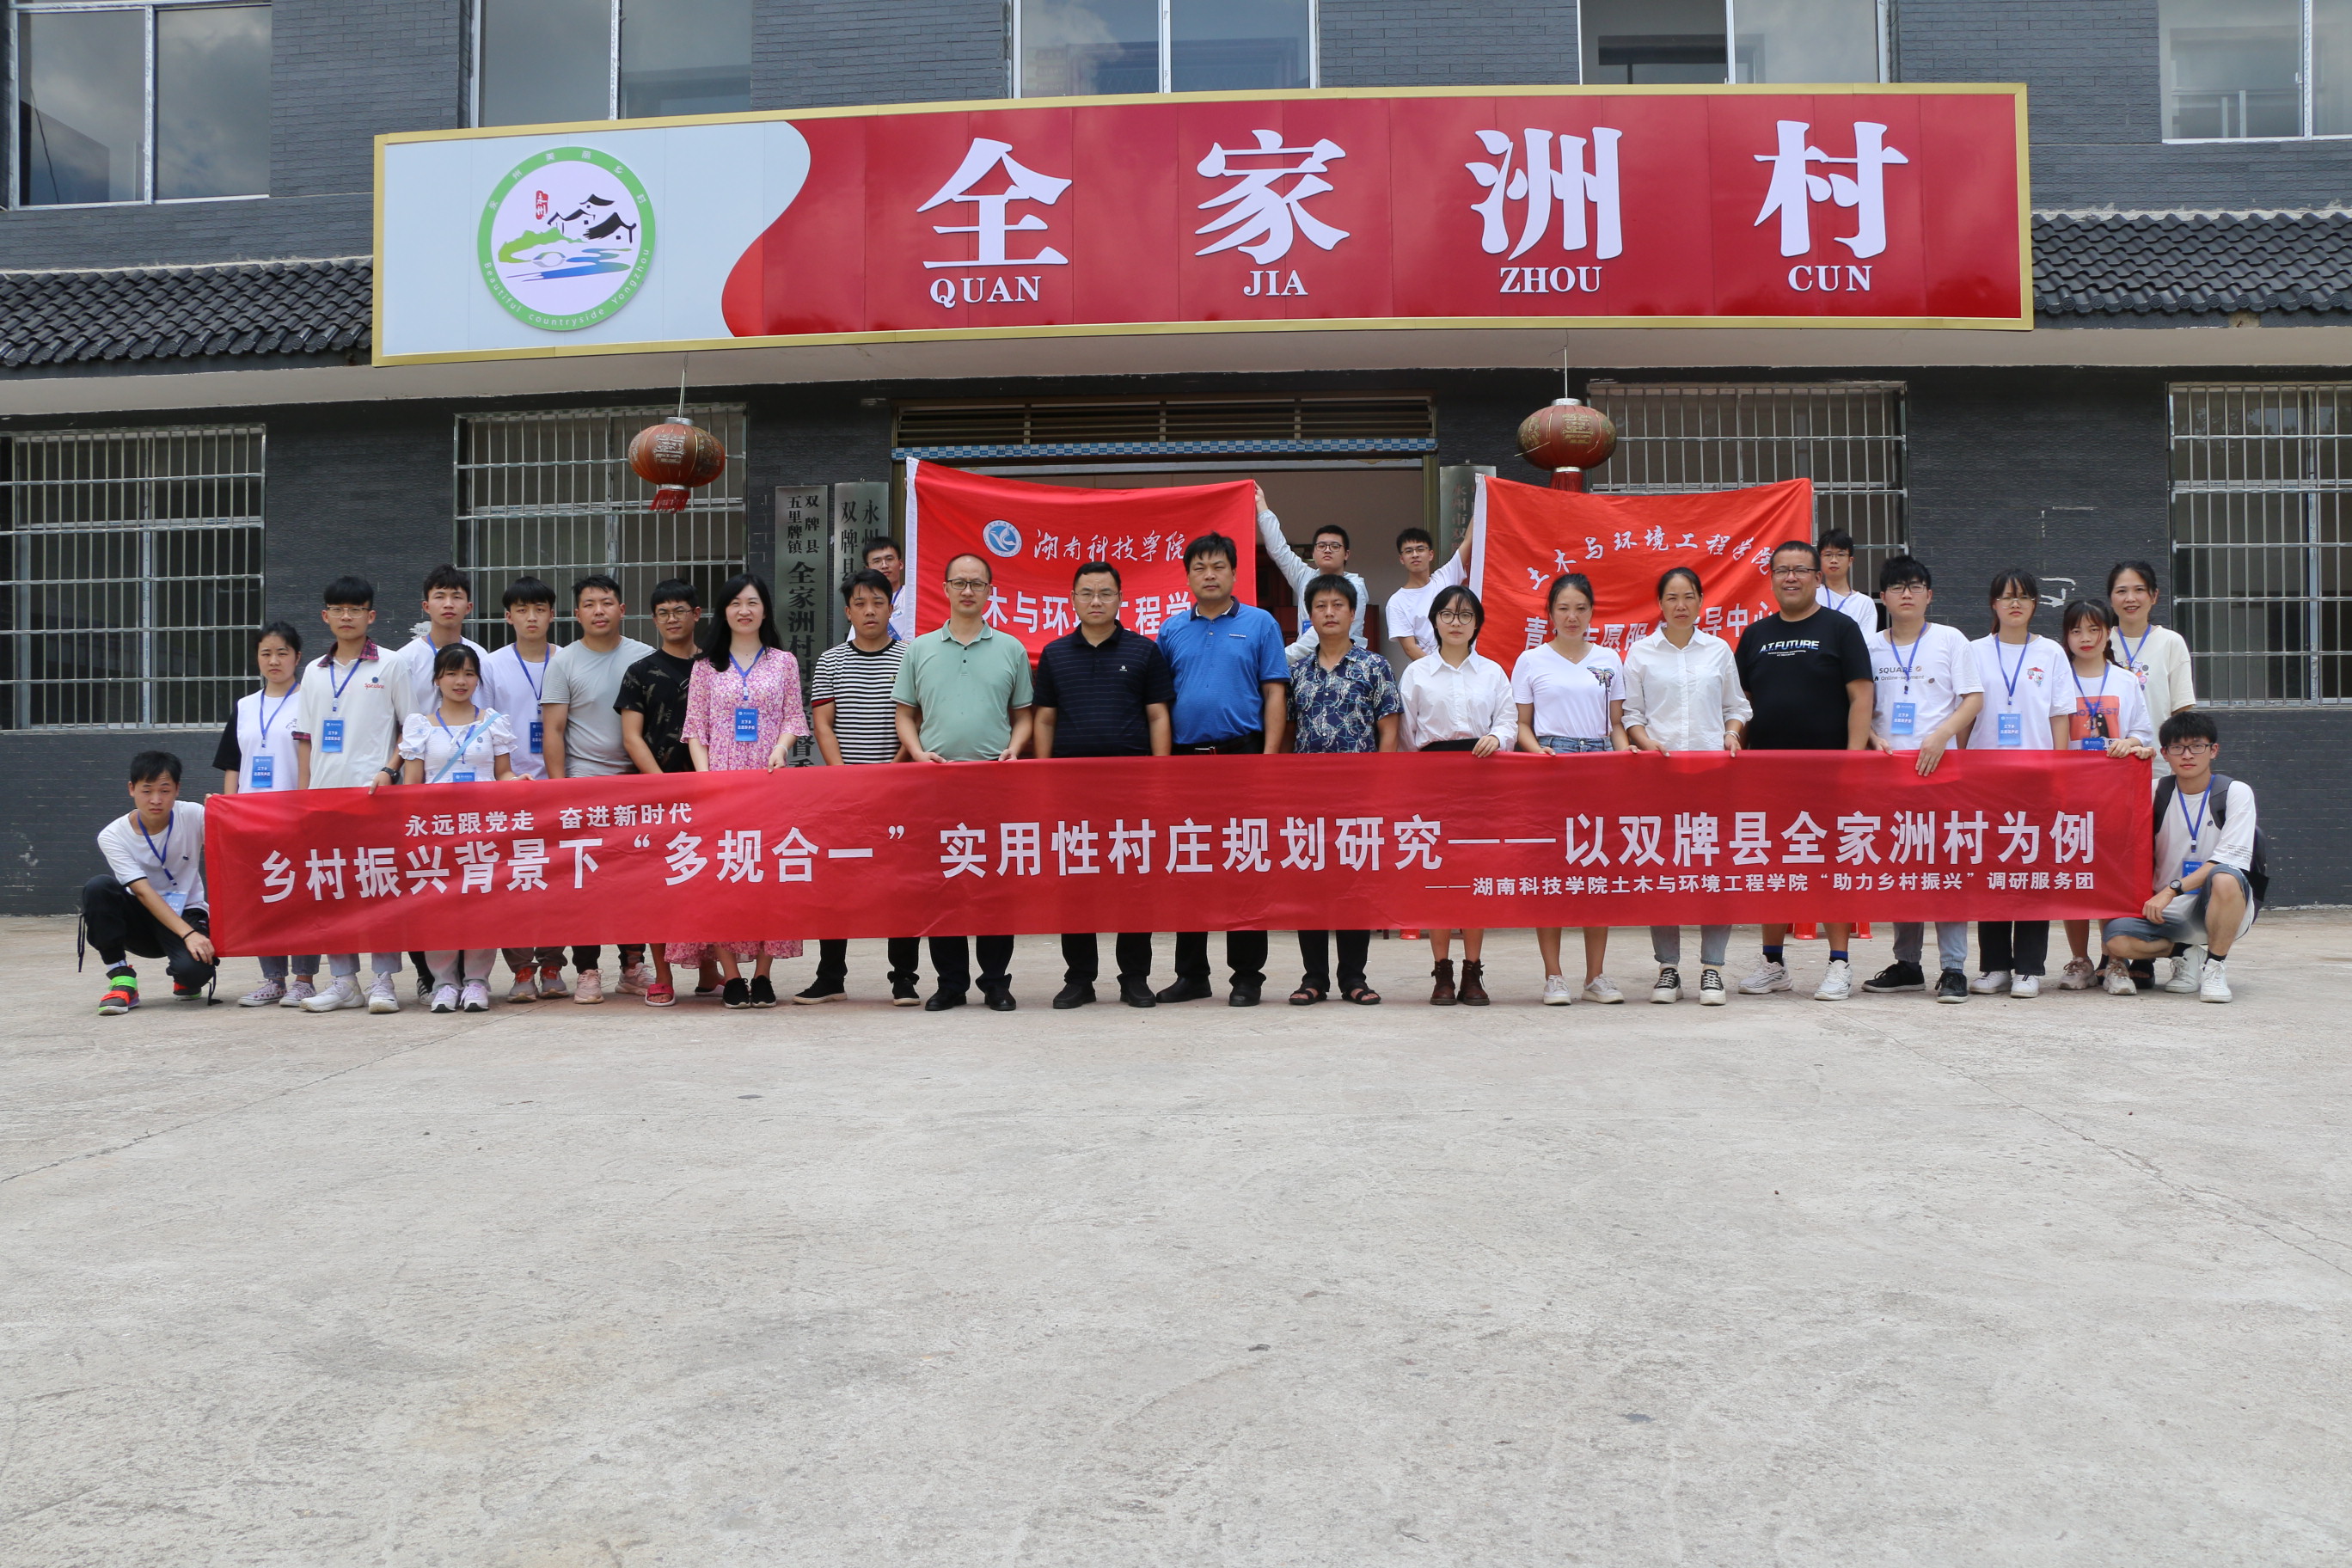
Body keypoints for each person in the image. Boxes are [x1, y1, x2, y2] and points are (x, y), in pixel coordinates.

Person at [1734, 540, 1875, 1001]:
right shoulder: (1755, 635)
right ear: (1771, 578)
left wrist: (1852, 760)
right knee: (1772, 865)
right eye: (1782, 570)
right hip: (1767, 774)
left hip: (1829, 772)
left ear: (1818, 577)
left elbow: (1861, 696)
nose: (1790, 577)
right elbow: (1742, 705)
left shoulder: (1840, 628)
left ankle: (1839, 964)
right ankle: (1773, 963)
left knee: (1832, 865)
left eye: (1800, 570)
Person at [1033, 560, 1176, 1009]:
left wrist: (1159, 778)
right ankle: (1079, 979)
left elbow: (1158, 716)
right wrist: (1044, 779)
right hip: (1072, 790)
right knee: (1076, 883)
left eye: (1105, 593)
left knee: (1134, 882)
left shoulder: (1144, 651)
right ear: (1072, 600)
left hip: (1131, 789)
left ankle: (1134, 977)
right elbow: (1045, 719)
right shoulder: (1055, 654)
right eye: (1087, 593)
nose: (1096, 601)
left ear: (1120, 598)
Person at [895, 551, 1034, 1012]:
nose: (968, 590)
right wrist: (918, 754)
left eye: (977, 583)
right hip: (938, 784)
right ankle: (951, 983)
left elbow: (1024, 715)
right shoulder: (920, 649)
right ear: (946, 589)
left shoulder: (1011, 648)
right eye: (960, 583)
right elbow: (904, 714)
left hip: (995, 783)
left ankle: (995, 982)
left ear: (990, 591)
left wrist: (1015, 748)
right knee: (944, 883)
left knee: (996, 883)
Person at [1155, 529, 1289, 1007]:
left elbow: (1274, 692)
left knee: (1245, 862)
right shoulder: (1171, 630)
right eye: (1200, 568)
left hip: (1243, 756)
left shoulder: (1260, 624)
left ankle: (1247, 976)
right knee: (1187, 865)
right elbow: (1160, 703)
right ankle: (1191, 974)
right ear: (1188, 576)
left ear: (1234, 573)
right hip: (1186, 761)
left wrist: (1269, 760)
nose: (1209, 575)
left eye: (1218, 567)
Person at [672, 574, 809, 1009]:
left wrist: (781, 749)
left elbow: (793, 718)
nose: (744, 610)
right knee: (721, 876)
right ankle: (731, 975)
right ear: (723, 611)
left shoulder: (784, 662)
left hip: (770, 782)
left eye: (752, 602)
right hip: (721, 785)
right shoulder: (705, 666)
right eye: (735, 603)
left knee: (770, 876)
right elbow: (695, 729)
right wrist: (707, 779)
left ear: (765, 610)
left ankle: (763, 974)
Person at [1856, 555, 1985, 1004]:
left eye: (1915, 586)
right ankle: (1908, 964)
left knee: (1946, 870)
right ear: (1883, 597)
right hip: (1889, 774)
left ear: (1929, 595)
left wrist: (1942, 736)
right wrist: (1871, 738)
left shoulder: (1950, 639)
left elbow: (1973, 698)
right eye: (1897, 587)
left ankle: (1954, 969)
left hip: (1941, 772)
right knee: (1902, 870)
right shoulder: (1870, 646)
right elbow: (1858, 703)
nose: (1906, 594)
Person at [1622, 566, 1751, 1006]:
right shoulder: (1641, 653)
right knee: (1663, 868)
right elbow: (1632, 714)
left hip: (1714, 777)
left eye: (1689, 597)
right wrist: (1646, 744)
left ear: (1700, 602)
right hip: (1660, 778)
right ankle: (1668, 968)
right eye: (1672, 598)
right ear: (1659, 604)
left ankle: (1713, 968)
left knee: (1715, 870)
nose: (1681, 606)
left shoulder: (1718, 650)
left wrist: (1731, 734)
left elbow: (1737, 706)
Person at [291, 575, 416, 1014]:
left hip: (374, 796)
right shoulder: (313, 671)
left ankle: (383, 980)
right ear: (325, 616)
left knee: (379, 886)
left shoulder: (392, 664)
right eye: (338, 610)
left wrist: (389, 771)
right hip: (325, 800)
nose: (347, 617)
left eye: (356, 609)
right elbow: (305, 738)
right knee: (333, 890)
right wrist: (304, 797)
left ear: (371, 615)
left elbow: (412, 729)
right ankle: (344, 981)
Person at [805, 568, 922, 1006]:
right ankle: (830, 976)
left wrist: (893, 770)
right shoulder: (830, 661)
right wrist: (844, 777)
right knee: (836, 884)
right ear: (847, 612)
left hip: (899, 789)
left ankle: (904, 978)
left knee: (902, 885)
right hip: (844, 791)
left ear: (892, 608)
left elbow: (917, 719)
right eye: (860, 603)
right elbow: (823, 723)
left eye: (878, 602)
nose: (869, 611)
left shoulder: (911, 657)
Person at [1513, 571, 1630, 1006]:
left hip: (1599, 763)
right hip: (1551, 764)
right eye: (1563, 608)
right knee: (1552, 870)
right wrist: (1538, 753)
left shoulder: (1609, 659)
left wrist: (1624, 759)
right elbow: (1521, 724)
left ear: (1592, 612)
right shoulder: (1531, 660)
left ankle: (1595, 976)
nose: (1572, 616)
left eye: (1580, 608)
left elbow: (1616, 724)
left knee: (1597, 869)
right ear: (1549, 613)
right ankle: (1554, 976)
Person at [1284, 573, 1401, 1006]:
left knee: (1355, 885)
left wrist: (1381, 788)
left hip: (1359, 797)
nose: (1329, 613)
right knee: (1310, 885)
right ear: (1309, 615)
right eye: (1321, 606)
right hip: (1308, 797)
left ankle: (1354, 977)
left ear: (1353, 614)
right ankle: (1313, 978)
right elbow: (1289, 733)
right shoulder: (1297, 672)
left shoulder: (1374, 667)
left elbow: (1389, 731)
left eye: (1338, 605)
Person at [1397, 583, 1513, 1006]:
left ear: (1477, 623)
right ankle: (1442, 972)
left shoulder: (1493, 672)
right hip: (1433, 780)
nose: (1456, 623)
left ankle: (1473, 971)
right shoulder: (1417, 673)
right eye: (1447, 614)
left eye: (1466, 615)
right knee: (1439, 875)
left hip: (1482, 777)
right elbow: (1406, 733)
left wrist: (1497, 738)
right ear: (1434, 622)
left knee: (1475, 874)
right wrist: (1419, 780)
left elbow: (1508, 720)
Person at [542, 573, 654, 1004]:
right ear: (577, 614)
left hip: (634, 786)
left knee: (634, 882)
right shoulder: (564, 662)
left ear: (622, 609)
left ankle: (632, 965)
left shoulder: (643, 656)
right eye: (589, 604)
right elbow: (554, 729)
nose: (599, 611)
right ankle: (587, 970)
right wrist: (559, 789)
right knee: (584, 884)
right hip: (582, 786)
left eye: (606, 603)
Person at [1966, 568, 2074, 998]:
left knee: (2033, 870)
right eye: (2007, 597)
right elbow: (1965, 714)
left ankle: (2029, 967)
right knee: (1991, 871)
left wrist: (2060, 773)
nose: (2015, 604)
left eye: (2024, 597)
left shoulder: (2050, 653)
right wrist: (1961, 767)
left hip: (2036, 778)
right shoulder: (1974, 651)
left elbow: (2059, 715)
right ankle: (1995, 965)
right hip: (1985, 778)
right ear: (1993, 604)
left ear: (2034, 605)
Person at [396, 644, 520, 1013]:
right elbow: (412, 785)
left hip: (482, 829)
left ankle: (477, 981)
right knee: (439, 906)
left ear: (478, 679)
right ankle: (445, 983)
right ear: (437, 679)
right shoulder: (420, 726)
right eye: (451, 673)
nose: (460, 681)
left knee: (482, 904)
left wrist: (517, 783)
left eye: (468, 673)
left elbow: (503, 773)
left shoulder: (493, 722)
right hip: (436, 832)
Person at [2102, 712, 2255, 1003]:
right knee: (2117, 940)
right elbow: (2110, 806)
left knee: (2224, 876)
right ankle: (2184, 953)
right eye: (2177, 747)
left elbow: (2228, 859)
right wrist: (2131, 763)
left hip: (2217, 902)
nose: (2187, 755)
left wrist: (2170, 890)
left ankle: (2215, 967)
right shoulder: (2155, 791)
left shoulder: (2235, 793)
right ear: (2164, 754)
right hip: (2165, 912)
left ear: (2214, 750)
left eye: (2197, 746)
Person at [618, 578, 717, 1008]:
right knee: (659, 886)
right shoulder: (640, 671)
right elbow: (631, 736)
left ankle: (711, 970)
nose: (672, 619)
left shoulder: (717, 667)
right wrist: (661, 782)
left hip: (710, 790)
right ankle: (662, 975)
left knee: (710, 881)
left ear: (697, 614)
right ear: (653, 619)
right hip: (656, 794)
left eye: (680, 611)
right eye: (663, 613)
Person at [2055, 597, 2159, 991]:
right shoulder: (2059, 678)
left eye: (2094, 629)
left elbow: (2143, 733)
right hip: (2069, 796)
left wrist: (2129, 742)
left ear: (2108, 634)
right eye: (2076, 630)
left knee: (2109, 878)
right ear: (2066, 636)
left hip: (2114, 797)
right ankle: (2080, 961)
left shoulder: (2125, 681)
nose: (2085, 638)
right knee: (2072, 877)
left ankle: (2115, 961)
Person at [212, 622, 318, 1008]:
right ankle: (273, 980)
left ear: (297, 657)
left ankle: (304, 979)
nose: (274, 661)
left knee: (301, 897)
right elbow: (233, 764)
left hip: (293, 816)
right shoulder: (244, 706)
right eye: (266, 653)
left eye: (282, 653)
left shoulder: (308, 701)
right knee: (265, 897)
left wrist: (305, 808)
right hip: (252, 818)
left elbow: (311, 759)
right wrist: (231, 811)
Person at [478, 575, 566, 1002]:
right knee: (513, 880)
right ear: (507, 616)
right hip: (509, 787)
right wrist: (506, 777)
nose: (532, 617)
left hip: (559, 786)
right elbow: (486, 725)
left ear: (553, 614)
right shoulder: (493, 665)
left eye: (540, 609)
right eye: (522, 610)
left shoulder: (566, 659)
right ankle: (520, 970)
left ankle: (552, 964)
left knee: (559, 881)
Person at [85, 751, 216, 1014]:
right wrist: (189, 935)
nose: (156, 800)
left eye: (165, 790)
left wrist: (223, 812)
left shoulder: (193, 814)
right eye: (147, 791)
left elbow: (233, 841)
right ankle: (122, 979)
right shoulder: (113, 835)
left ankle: (184, 976)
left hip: (187, 910)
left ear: (177, 789)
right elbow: (142, 892)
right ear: (131, 789)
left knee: (195, 973)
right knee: (99, 887)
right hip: (139, 920)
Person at [2108, 560, 2197, 775]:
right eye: (2121, 591)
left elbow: (2180, 712)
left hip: (2158, 764)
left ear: (2154, 596)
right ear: (2111, 598)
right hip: (2107, 761)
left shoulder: (2171, 642)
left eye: (2139, 590)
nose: (2130, 598)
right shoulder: (2099, 642)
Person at [1258, 499, 1367, 658]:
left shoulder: (1355, 587)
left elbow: (1321, 637)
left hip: (1348, 664)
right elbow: (1278, 550)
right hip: (1308, 664)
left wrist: (1279, 659)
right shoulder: (1304, 577)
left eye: (1335, 546)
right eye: (1321, 546)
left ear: (1346, 554)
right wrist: (1261, 506)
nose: (1327, 550)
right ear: (1313, 552)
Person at [1385, 526, 1472, 663]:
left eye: (1420, 549)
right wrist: (1439, 669)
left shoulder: (1445, 578)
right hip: (1428, 669)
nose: (1415, 555)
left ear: (1431, 554)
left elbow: (1468, 540)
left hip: (1463, 662)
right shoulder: (1396, 602)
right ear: (1402, 559)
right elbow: (1410, 648)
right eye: (1409, 551)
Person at [1816, 529, 1879, 639]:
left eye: (1840, 555)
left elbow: (1865, 643)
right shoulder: (1811, 595)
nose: (1834, 560)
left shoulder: (1864, 603)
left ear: (1850, 560)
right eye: (1828, 554)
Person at [864, 536, 914, 640]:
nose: (884, 566)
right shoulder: (863, 604)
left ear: (901, 564)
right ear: (868, 569)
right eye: (877, 561)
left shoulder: (914, 597)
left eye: (889, 559)